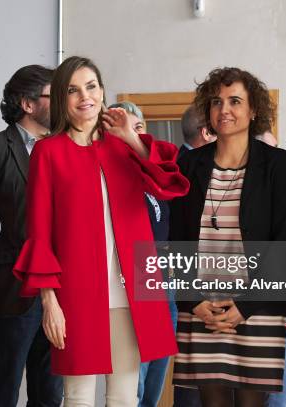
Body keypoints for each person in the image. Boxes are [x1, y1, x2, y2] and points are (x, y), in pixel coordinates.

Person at [13, 56, 189, 406]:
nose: (84, 97)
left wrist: (130, 137)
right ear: (62, 98)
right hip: (76, 293)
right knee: (77, 397)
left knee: (125, 396)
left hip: (134, 290)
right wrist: (50, 303)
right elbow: (39, 233)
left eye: (91, 86)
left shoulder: (123, 145)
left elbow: (169, 186)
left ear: (102, 91)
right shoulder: (48, 152)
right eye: (73, 90)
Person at [169, 67, 286, 407]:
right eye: (216, 102)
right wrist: (193, 301)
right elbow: (176, 240)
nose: (225, 110)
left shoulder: (278, 165)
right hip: (202, 307)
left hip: (258, 306)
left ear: (253, 110)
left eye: (235, 101)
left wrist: (247, 305)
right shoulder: (189, 165)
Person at [0, 64, 63, 406]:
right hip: (11, 290)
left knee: (49, 393)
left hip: (58, 291)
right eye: (52, 96)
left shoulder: (63, 150)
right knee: (4, 387)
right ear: (27, 104)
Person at [108, 101, 176, 407]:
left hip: (165, 283)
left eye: (138, 128)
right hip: (133, 280)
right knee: (132, 381)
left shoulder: (153, 176)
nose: (132, 136)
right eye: (123, 129)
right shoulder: (113, 175)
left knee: (156, 376)